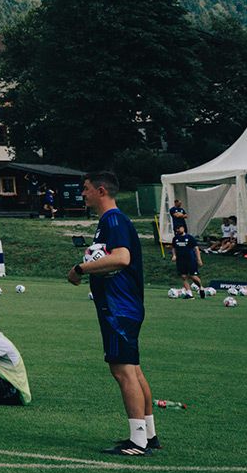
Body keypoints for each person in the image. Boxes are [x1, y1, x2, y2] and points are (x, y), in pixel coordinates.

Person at [69, 170, 154, 456]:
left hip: (119, 306)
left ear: (101, 190)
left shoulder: (113, 219)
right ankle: (148, 434)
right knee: (133, 368)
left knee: (122, 370)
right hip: (122, 305)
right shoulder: (110, 221)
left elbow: (121, 258)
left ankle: (137, 441)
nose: (83, 193)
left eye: (86, 188)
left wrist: (80, 269)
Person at [173, 229, 205, 297]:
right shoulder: (175, 238)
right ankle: (189, 293)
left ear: (183, 228)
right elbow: (174, 248)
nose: (178, 229)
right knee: (183, 276)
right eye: (177, 228)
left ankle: (201, 288)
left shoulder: (190, 237)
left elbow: (196, 248)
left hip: (190, 259)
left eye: (179, 228)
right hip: (180, 260)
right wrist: (174, 255)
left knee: (193, 276)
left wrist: (199, 259)